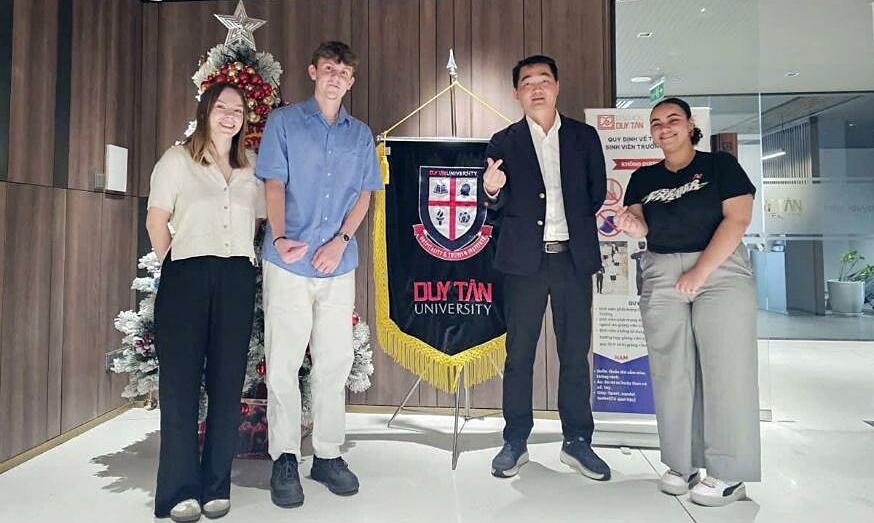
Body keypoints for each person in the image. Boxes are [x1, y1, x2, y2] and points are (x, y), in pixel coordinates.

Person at [614, 97, 760, 507]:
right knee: (671, 370)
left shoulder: (720, 166)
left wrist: (700, 272)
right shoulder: (642, 177)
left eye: (672, 119)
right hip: (661, 271)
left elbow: (738, 219)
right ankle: (683, 463)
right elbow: (643, 226)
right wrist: (631, 225)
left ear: (690, 124)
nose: (664, 128)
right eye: (656, 122)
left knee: (726, 369)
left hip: (720, 269)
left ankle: (729, 472)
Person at [255, 41, 383, 508]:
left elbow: (365, 195)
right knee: (283, 362)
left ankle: (327, 454)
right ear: (313, 72)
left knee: (334, 361)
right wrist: (280, 237)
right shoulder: (284, 123)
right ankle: (285, 456)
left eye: (343, 72)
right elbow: (274, 183)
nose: (335, 78)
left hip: (337, 263)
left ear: (351, 82)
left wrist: (341, 241)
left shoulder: (360, 136)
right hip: (288, 260)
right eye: (329, 69)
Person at [483, 55, 610, 481]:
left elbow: (595, 194)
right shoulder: (503, 142)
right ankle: (515, 440)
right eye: (527, 82)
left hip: (572, 259)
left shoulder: (583, 137)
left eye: (544, 80)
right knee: (519, 354)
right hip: (524, 264)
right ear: (516, 93)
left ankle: (577, 441)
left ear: (557, 86)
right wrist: (491, 191)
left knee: (574, 353)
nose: (536, 88)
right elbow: (494, 206)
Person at [146, 82, 265, 522]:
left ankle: (216, 485)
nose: (230, 116)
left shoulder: (252, 166)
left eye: (238, 110)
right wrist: (178, 265)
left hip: (236, 278)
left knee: (227, 383)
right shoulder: (177, 161)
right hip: (187, 276)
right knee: (180, 385)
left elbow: (264, 218)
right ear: (206, 112)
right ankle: (179, 490)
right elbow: (156, 219)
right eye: (221, 107)